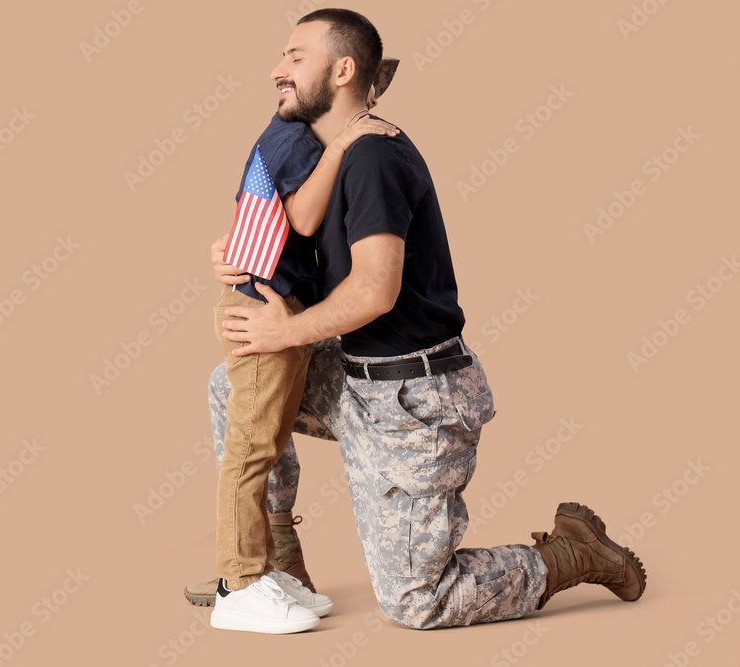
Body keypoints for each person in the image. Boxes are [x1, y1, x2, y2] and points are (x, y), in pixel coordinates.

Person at [205, 8, 646, 629]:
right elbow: (303, 233)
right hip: (357, 380)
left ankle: (570, 553)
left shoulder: (373, 158)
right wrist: (239, 252)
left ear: (343, 70)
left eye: (296, 57)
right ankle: (275, 561)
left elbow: (375, 291)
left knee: (417, 602)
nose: (278, 70)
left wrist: (284, 331)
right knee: (232, 385)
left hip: (414, 397)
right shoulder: (327, 154)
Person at [207, 65, 401, 634]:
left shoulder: (297, 138)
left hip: (280, 305)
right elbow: (303, 217)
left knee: (263, 441)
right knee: (252, 449)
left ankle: (260, 571)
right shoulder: (294, 137)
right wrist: (344, 142)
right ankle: (237, 583)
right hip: (264, 307)